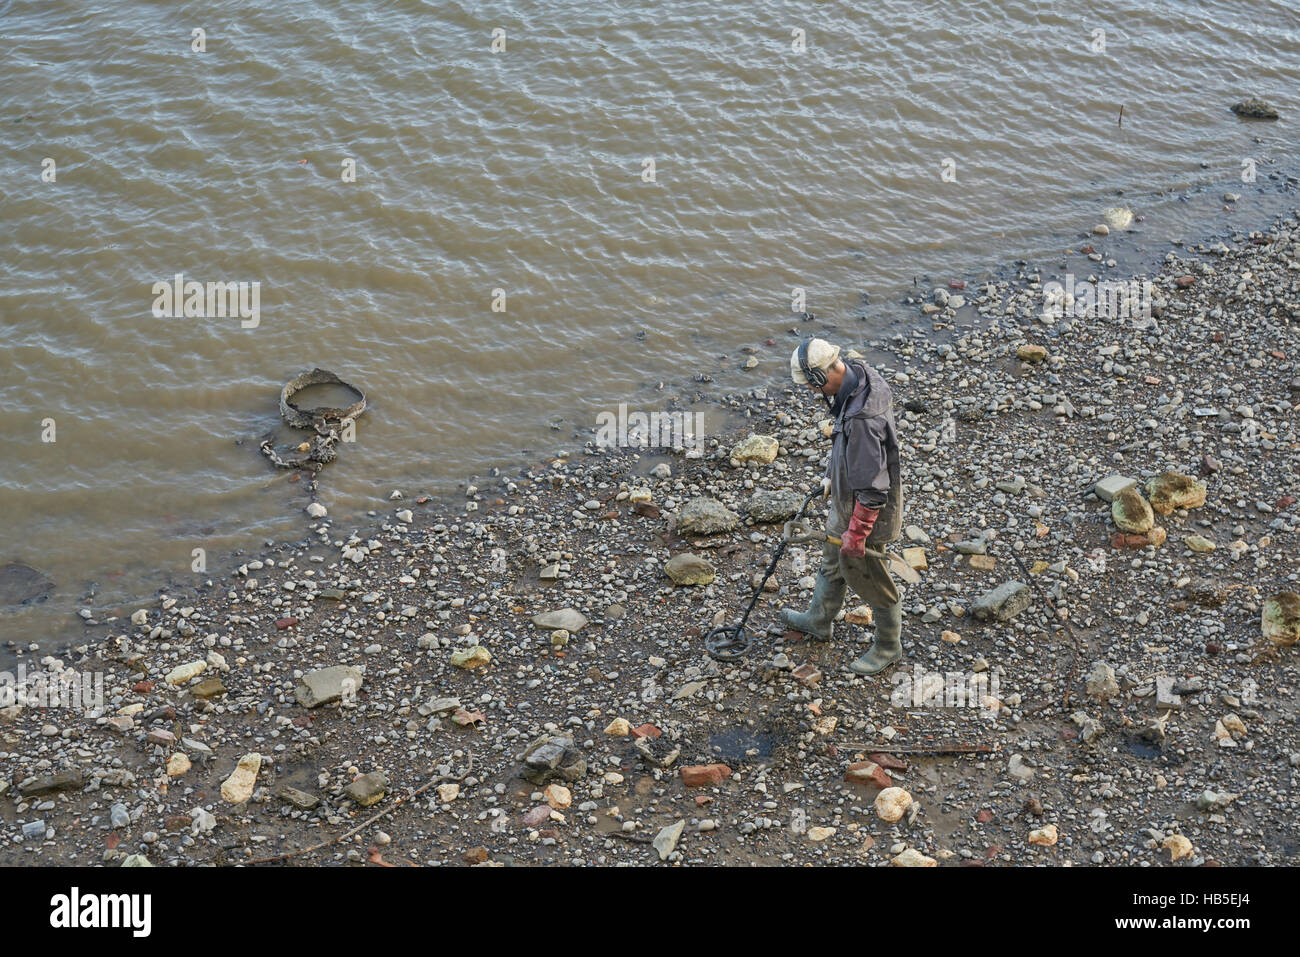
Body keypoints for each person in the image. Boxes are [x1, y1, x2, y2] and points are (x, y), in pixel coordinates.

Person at [780, 337, 905, 675]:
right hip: (846, 500)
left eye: (810, 383)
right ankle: (818, 620)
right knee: (832, 562)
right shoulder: (858, 378)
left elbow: (874, 488)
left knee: (871, 577)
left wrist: (858, 532)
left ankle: (889, 646)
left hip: (865, 513)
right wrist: (831, 479)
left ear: (823, 375)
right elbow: (849, 451)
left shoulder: (863, 417)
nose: (810, 390)